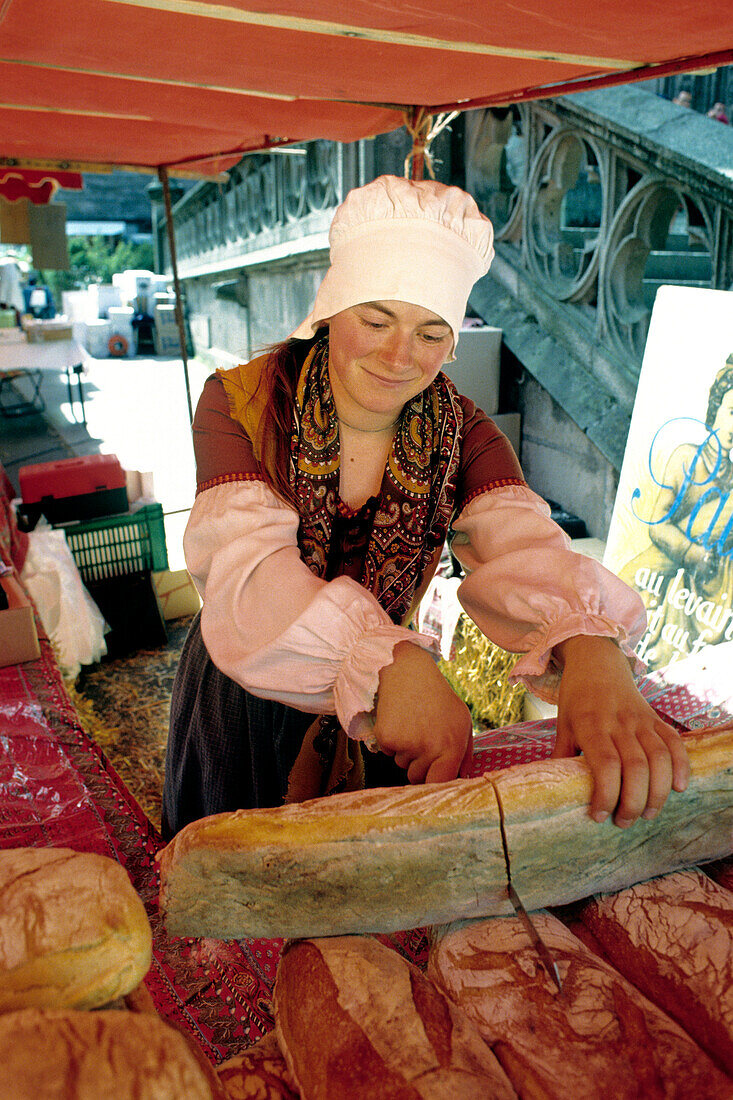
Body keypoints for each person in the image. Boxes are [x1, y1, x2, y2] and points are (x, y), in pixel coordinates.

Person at [161, 174, 689, 840]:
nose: (397, 355)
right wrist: (387, 659)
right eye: (375, 320)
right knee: (243, 873)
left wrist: (589, 648)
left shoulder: (461, 432)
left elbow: (520, 541)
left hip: (397, 700)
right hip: (250, 677)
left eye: (430, 333)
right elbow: (247, 567)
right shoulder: (241, 402)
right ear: (332, 308)